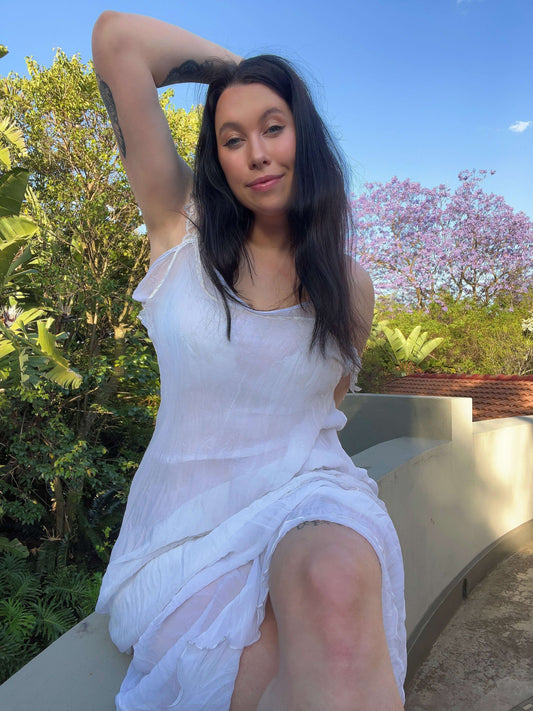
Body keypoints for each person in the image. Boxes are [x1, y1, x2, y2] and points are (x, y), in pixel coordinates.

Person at [91, 11, 406, 711]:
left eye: (273, 125)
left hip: (309, 498)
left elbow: (324, 410)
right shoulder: (178, 226)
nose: (257, 152)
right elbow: (118, 39)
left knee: (331, 585)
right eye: (232, 139)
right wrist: (237, 71)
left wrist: (270, 85)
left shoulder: (349, 287)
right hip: (184, 540)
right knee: (279, 673)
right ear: (217, 159)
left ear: (305, 135)